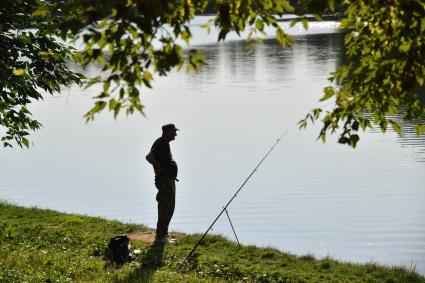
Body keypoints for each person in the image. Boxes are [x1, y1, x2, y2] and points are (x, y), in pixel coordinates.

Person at [146, 124, 179, 244]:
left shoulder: (164, 143)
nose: (175, 134)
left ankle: (164, 234)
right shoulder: (160, 143)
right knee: (165, 207)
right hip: (164, 180)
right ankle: (160, 237)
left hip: (168, 179)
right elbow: (148, 157)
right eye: (174, 131)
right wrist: (158, 167)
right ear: (167, 132)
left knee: (169, 207)